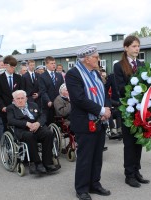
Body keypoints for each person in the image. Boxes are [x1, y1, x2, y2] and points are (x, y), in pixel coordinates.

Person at [65, 45, 111, 200]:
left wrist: (106, 108)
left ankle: (94, 184)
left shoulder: (95, 73)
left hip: (100, 121)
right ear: (86, 58)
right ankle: (82, 189)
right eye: (96, 57)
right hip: (85, 122)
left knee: (97, 156)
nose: (99, 59)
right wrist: (101, 110)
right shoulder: (73, 74)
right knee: (85, 157)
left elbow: (103, 92)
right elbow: (79, 99)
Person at [114, 35, 150, 188]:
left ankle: (136, 170)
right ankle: (129, 174)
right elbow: (120, 88)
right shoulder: (119, 65)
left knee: (139, 141)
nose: (137, 49)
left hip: (141, 110)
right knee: (129, 143)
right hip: (128, 109)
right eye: (134, 46)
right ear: (126, 47)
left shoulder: (141, 64)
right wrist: (137, 90)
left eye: (138, 46)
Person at [7, 90, 59, 174]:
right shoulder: (11, 108)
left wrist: (38, 123)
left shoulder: (33, 105)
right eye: (18, 99)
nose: (20, 100)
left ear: (26, 98)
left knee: (49, 133)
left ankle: (48, 162)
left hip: (37, 127)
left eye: (22, 98)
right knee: (30, 136)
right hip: (22, 130)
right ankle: (37, 163)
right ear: (14, 100)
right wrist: (26, 124)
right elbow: (11, 120)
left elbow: (42, 116)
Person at [0, 55, 22, 137]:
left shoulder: (18, 78)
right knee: (6, 129)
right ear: (6, 65)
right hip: (5, 109)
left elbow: (21, 92)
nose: (14, 68)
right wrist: (2, 106)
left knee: (18, 128)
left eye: (15, 67)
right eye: (12, 66)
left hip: (17, 108)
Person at [38, 56, 64, 125]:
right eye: (51, 63)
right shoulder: (42, 76)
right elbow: (43, 91)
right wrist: (48, 101)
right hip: (48, 105)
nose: (54, 65)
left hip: (58, 104)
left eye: (54, 63)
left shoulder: (59, 75)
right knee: (49, 123)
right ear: (46, 65)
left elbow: (62, 89)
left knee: (59, 123)